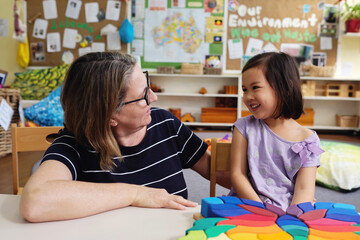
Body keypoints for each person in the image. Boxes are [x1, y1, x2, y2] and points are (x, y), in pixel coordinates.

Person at [20, 52, 230, 222]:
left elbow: (216, 170)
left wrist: (258, 184)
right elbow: (35, 201)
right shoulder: (75, 143)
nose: (154, 98)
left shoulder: (165, 124)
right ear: (110, 114)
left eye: (149, 88)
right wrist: (136, 194)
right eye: (143, 96)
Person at [230, 52, 324, 211]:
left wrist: (291, 217)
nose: (248, 96)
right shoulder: (244, 127)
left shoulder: (308, 139)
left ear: (285, 88)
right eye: (245, 89)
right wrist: (262, 210)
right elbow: (237, 175)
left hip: (289, 213)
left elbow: (304, 190)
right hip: (248, 207)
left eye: (255, 88)